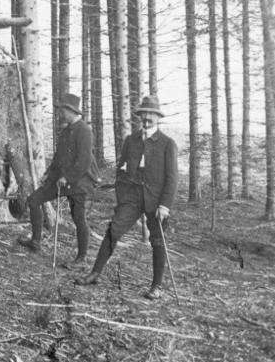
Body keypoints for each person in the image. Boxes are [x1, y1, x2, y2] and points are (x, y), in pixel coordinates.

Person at [75, 95, 178, 300]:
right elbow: (121, 169)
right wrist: (122, 195)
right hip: (132, 195)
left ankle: (156, 286)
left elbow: (172, 178)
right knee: (114, 229)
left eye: (152, 115)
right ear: (140, 117)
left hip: (156, 199)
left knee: (157, 240)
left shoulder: (167, 144)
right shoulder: (131, 140)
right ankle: (95, 273)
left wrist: (165, 205)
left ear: (158, 117)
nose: (147, 118)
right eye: (144, 114)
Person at [17, 92, 99, 266]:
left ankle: (81, 257)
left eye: (63, 110)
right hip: (59, 179)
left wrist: (68, 178)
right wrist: (49, 173)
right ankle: (36, 241)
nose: (60, 113)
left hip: (79, 182)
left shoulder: (84, 131)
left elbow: (83, 162)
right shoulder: (65, 130)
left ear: (71, 111)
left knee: (78, 218)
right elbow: (59, 157)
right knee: (34, 200)